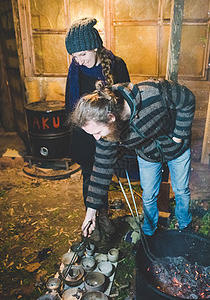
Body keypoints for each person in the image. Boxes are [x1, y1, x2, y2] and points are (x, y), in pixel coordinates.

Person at [69, 79, 195, 238]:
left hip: (177, 148)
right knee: (149, 194)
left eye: (97, 132)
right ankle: (149, 231)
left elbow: (187, 99)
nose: (97, 138)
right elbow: (101, 169)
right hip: (148, 154)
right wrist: (91, 212)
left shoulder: (152, 93)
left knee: (181, 190)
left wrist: (179, 136)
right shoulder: (108, 134)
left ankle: (185, 226)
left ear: (111, 118)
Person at [64, 18, 130, 242]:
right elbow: (70, 106)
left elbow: (126, 103)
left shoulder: (117, 64)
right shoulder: (75, 71)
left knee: (104, 174)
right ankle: (96, 220)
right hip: (85, 134)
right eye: (74, 56)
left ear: (95, 46)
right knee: (88, 177)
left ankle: (105, 217)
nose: (78, 61)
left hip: (108, 131)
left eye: (82, 54)